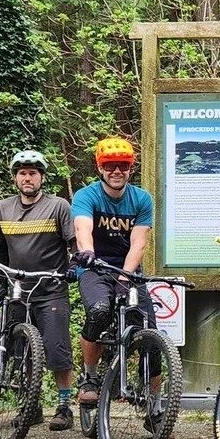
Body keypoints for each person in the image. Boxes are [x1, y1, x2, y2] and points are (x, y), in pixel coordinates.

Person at [0, 149, 77, 431]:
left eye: (33, 173)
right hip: (18, 290)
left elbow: (73, 242)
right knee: (20, 350)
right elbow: (0, 249)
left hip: (51, 289)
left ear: (42, 177)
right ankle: (31, 405)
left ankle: (64, 406)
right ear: (15, 178)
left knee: (57, 349)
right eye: (23, 173)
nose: (28, 178)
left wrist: (73, 267)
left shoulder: (58, 206)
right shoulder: (3, 208)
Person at [71, 136, 155, 421]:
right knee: (98, 311)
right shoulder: (86, 196)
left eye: (123, 165)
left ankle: (155, 406)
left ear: (131, 168)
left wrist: (126, 278)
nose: (116, 171)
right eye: (110, 166)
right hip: (94, 267)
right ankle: (90, 376)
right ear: (100, 168)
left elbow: (139, 244)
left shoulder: (142, 199)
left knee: (151, 336)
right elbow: (83, 228)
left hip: (127, 269)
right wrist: (88, 253)